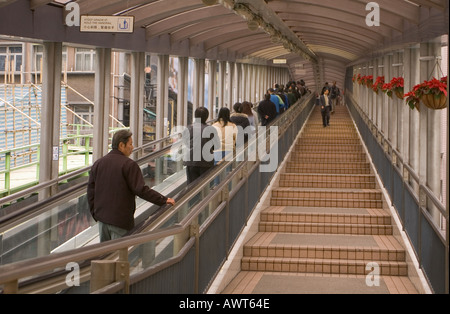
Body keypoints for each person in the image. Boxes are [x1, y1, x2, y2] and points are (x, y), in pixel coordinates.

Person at [87, 129, 175, 242]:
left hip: (102, 222)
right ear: (121, 145)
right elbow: (141, 190)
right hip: (120, 222)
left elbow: (90, 192)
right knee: (120, 257)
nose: (132, 147)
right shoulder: (129, 165)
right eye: (130, 144)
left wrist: (96, 214)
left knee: (105, 256)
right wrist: (163, 200)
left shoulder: (98, 164)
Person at [183, 107, 219, 184]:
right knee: (205, 185)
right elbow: (216, 146)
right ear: (206, 117)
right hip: (206, 161)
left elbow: (186, 143)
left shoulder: (189, 128)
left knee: (191, 187)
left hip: (191, 161)